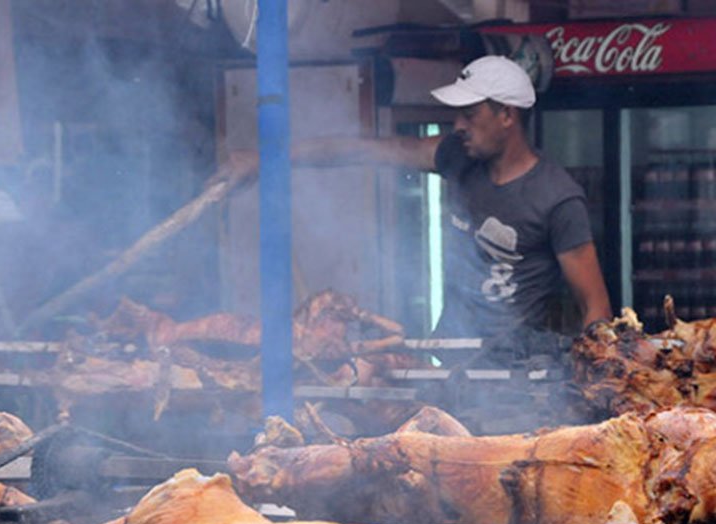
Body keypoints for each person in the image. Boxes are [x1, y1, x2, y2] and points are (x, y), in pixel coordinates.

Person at [220, 55, 612, 362]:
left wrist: (594, 382)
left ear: (507, 115)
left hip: (515, 375)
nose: (458, 125)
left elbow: (595, 305)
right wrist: (267, 159)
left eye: (470, 114)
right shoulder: (457, 157)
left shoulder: (557, 198)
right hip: (449, 362)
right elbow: (361, 150)